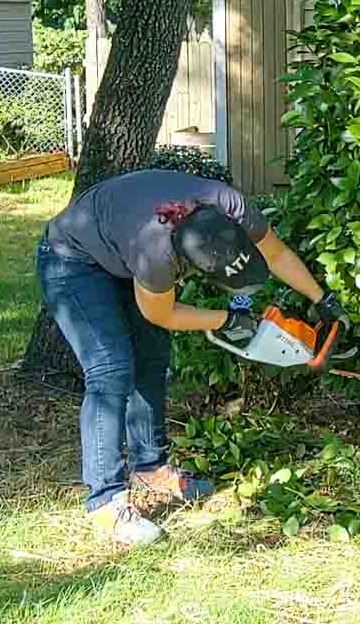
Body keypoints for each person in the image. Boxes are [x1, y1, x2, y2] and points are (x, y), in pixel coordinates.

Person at [37, 168, 342, 546]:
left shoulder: (234, 207)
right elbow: (160, 313)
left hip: (118, 241)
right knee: (110, 369)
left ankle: (151, 468)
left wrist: (322, 298)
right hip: (75, 259)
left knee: (152, 356)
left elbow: (276, 252)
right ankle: (106, 503)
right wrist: (227, 320)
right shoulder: (158, 253)